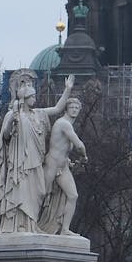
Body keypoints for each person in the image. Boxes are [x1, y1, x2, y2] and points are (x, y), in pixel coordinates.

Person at [0, 72, 75, 233]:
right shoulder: (13, 114)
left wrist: (67, 90)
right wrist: (13, 119)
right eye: (32, 97)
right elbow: (5, 135)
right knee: (21, 192)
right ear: (24, 98)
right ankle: (19, 226)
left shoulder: (38, 113)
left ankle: (31, 225)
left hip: (36, 160)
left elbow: (58, 108)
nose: (35, 100)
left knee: (39, 192)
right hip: (20, 163)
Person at [40, 97, 87, 235]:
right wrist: (84, 156)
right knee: (41, 195)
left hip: (62, 167)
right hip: (52, 164)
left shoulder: (68, 124)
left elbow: (64, 150)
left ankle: (65, 229)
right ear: (66, 109)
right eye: (72, 107)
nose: (74, 110)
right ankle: (29, 223)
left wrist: (70, 162)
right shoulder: (63, 123)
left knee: (73, 196)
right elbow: (79, 145)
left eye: (77, 108)